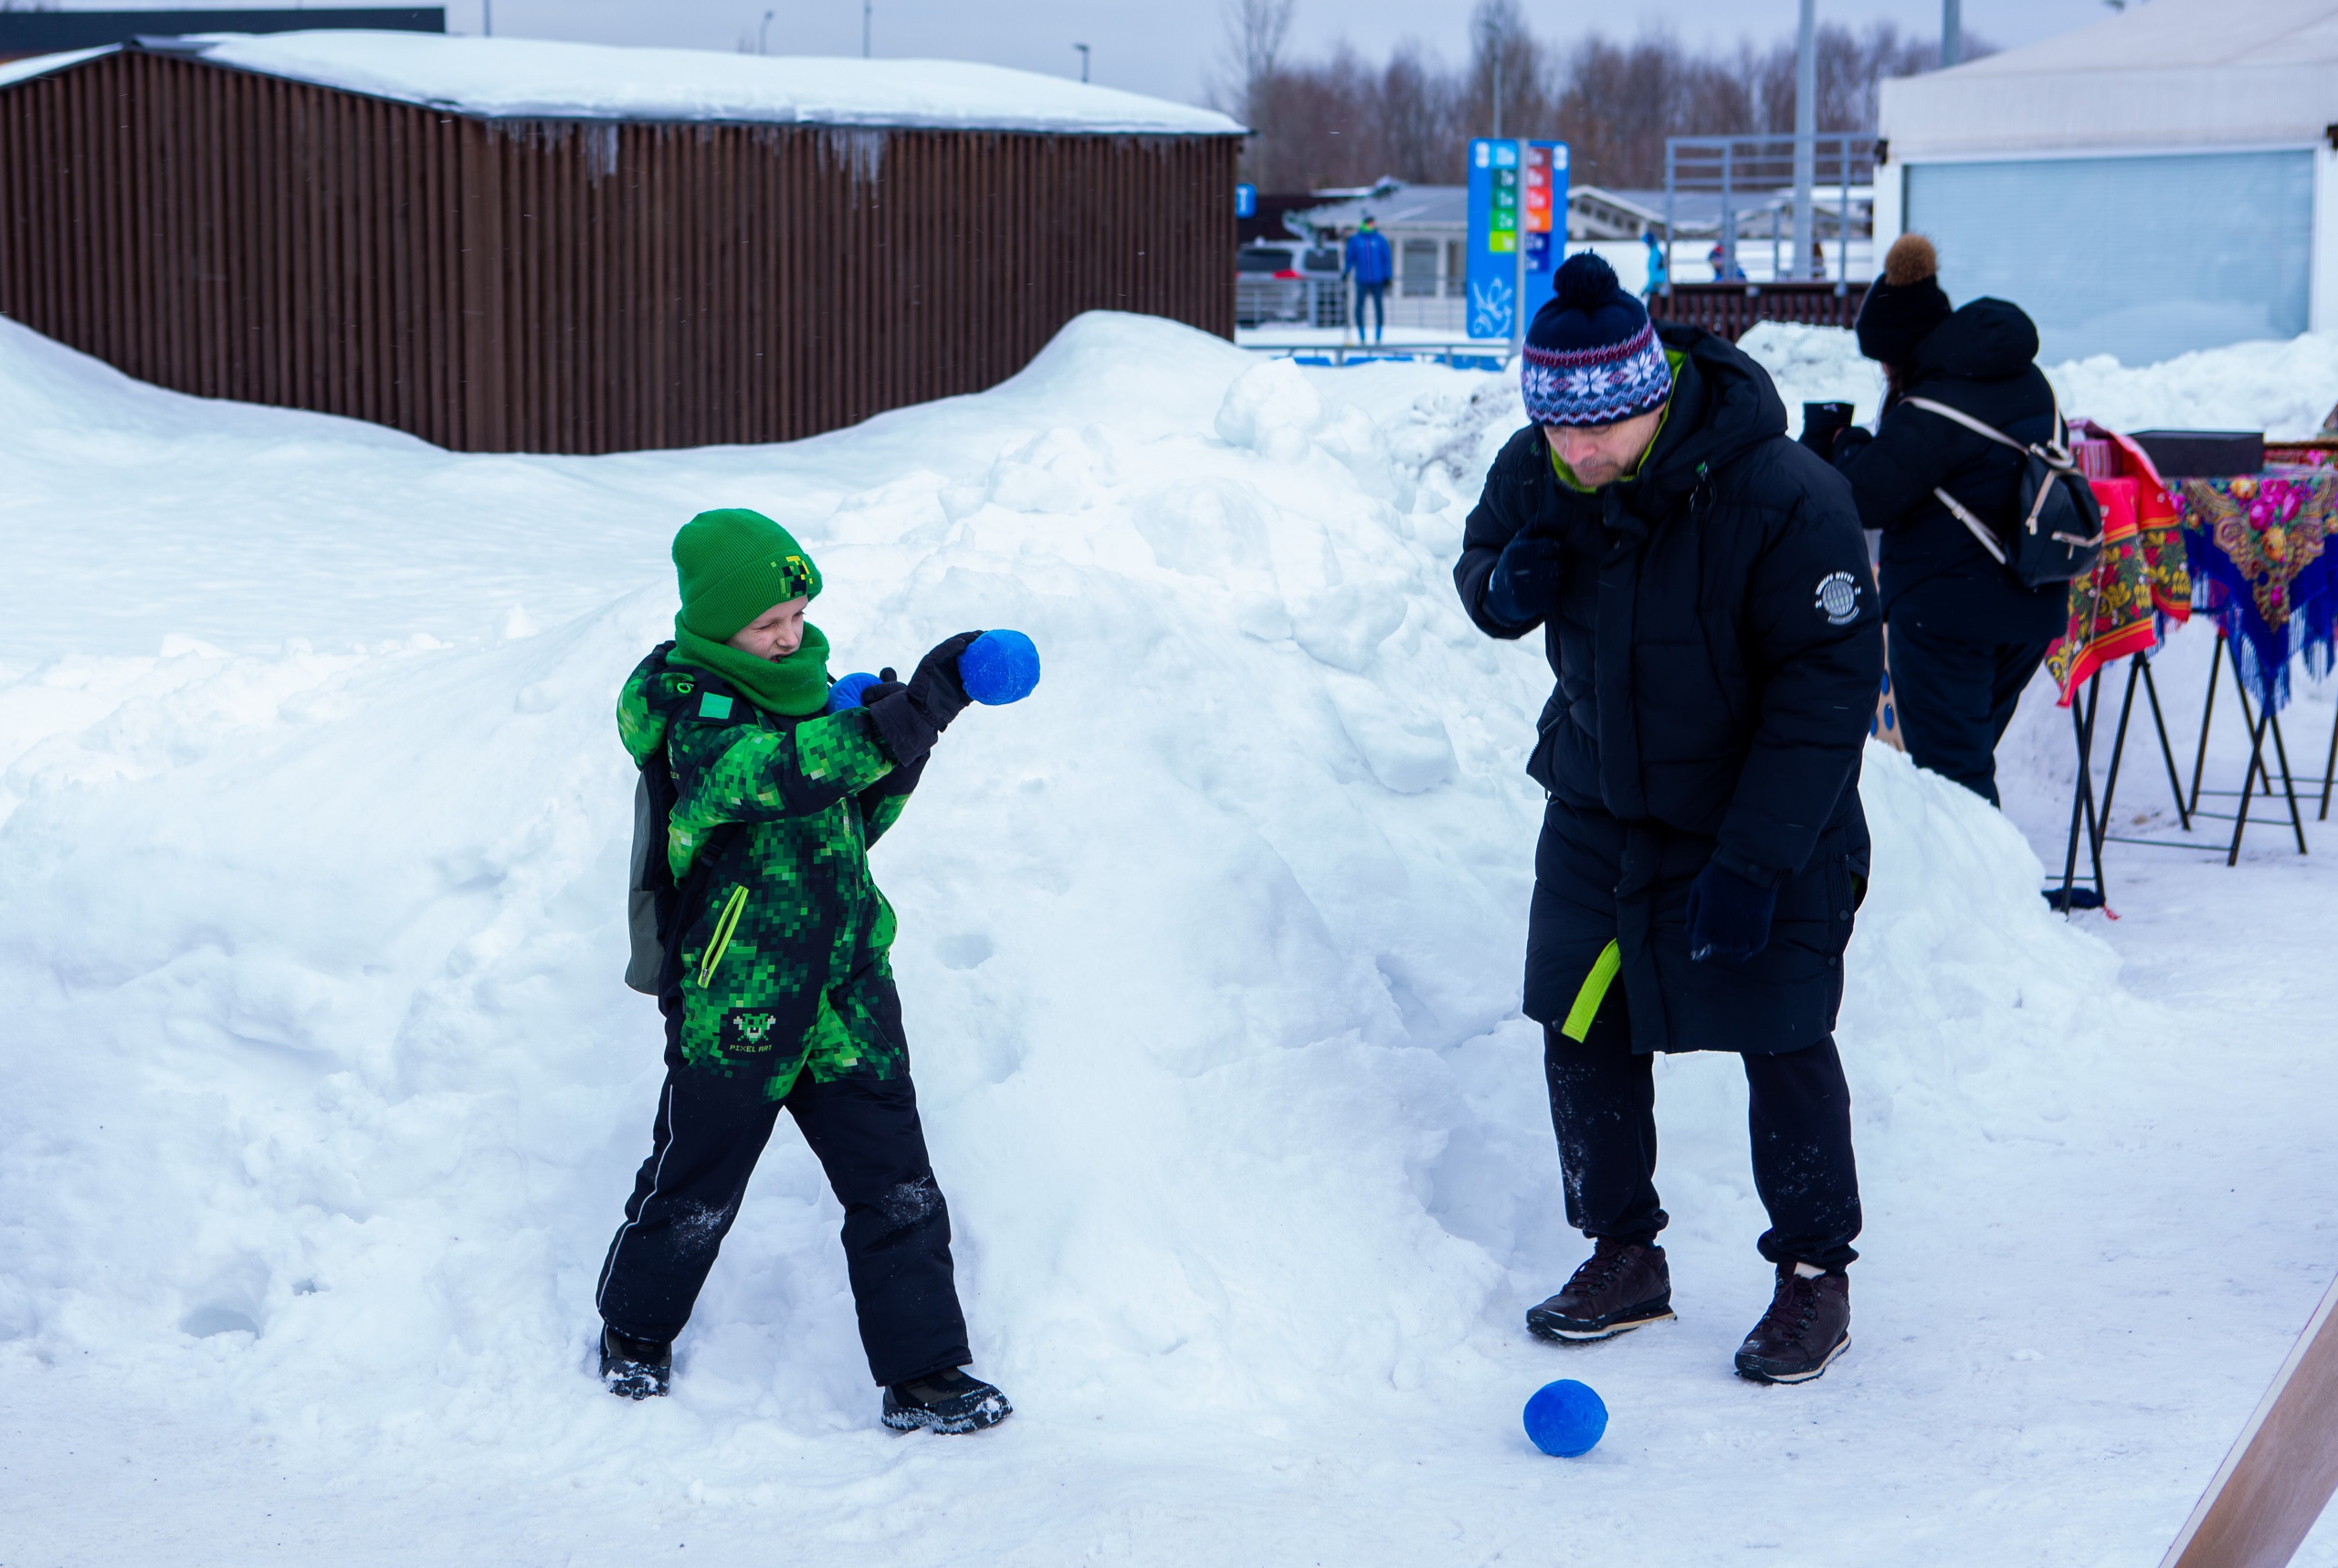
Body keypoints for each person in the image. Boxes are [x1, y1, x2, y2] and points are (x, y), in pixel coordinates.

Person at [1454, 253, 1882, 1385]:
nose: (1578, 452)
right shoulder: (1541, 465)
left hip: (1761, 815)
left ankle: (1813, 1277)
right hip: (1598, 803)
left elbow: (1826, 691)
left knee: (1781, 1030)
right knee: (1579, 1021)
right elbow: (1481, 559)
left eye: (1600, 429)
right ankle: (1622, 1253)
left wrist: (1754, 860)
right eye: (1557, 428)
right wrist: (1503, 588)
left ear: (1654, 396)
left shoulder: (1785, 494)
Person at [595, 507, 1012, 1435]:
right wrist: (904, 716)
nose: (790, 637)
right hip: (739, 993)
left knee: (896, 1181)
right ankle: (634, 1327)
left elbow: (850, 822)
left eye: (797, 614)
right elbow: (773, 777)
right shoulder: (690, 710)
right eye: (767, 624)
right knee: (698, 1180)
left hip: (847, 982)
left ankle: (924, 1372)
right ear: (716, 626)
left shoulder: (809, 693)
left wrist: (900, 747)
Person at [1828, 234, 2066, 806]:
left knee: (1953, 786)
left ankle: (1986, 870)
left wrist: (1844, 443)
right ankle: (1982, 859)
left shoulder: (1936, 405)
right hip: (2031, 606)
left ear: (1903, 349)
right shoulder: (2024, 377)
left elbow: (1865, 495)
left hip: (1949, 616)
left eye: (1884, 358)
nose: (1884, 370)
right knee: (1965, 761)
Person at [1343, 215, 1392, 343]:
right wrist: (1346, 272)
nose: (1372, 225)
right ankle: (1362, 336)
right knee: (1359, 307)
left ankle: (1378, 336)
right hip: (1361, 279)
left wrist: (1388, 276)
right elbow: (1350, 258)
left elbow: (1386, 259)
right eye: (1370, 223)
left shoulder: (1380, 240)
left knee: (1378, 307)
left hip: (1378, 279)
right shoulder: (1356, 240)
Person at [1642, 230, 1668, 298]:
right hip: (1656, 286)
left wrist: (1647, 288)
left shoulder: (1654, 254)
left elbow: (1654, 274)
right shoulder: (1655, 253)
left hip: (1656, 287)